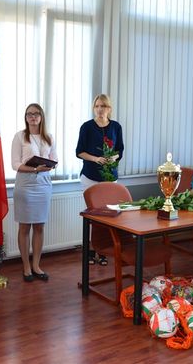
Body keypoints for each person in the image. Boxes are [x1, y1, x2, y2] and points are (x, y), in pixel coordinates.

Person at [11, 103, 58, 282]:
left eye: (36, 114)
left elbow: (54, 158)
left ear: (41, 116)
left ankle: (36, 265)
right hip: (25, 185)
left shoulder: (49, 137)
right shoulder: (20, 136)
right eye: (29, 114)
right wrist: (35, 169)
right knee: (24, 227)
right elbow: (15, 164)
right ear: (25, 117)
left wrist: (51, 165)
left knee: (39, 226)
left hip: (43, 185)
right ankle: (26, 267)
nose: (33, 117)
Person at [76, 94, 124, 265]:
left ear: (109, 108)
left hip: (110, 178)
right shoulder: (87, 127)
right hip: (90, 177)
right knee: (93, 215)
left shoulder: (116, 127)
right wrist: (96, 159)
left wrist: (113, 158)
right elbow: (79, 152)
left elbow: (120, 150)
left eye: (103, 106)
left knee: (108, 216)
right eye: (97, 106)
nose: (100, 109)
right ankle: (90, 250)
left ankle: (102, 251)